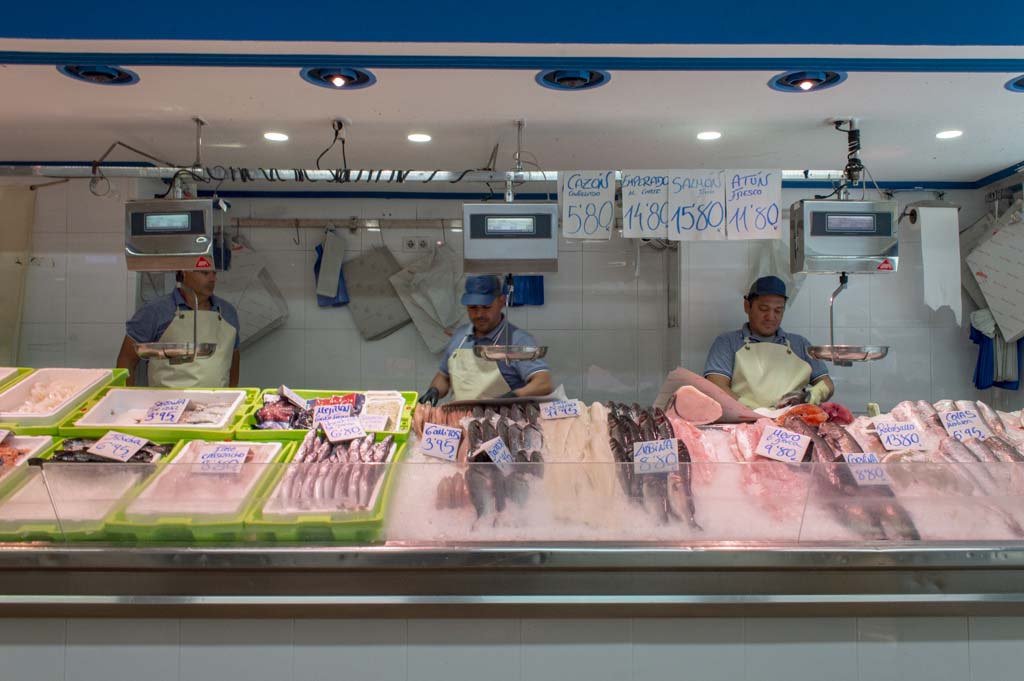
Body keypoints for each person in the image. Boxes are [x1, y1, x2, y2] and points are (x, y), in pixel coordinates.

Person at [703, 275, 834, 409]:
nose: (771, 317)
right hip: (745, 422)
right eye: (763, 309)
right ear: (747, 306)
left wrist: (811, 395)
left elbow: (827, 383)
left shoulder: (800, 343)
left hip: (791, 423)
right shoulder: (727, 342)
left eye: (778, 310)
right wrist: (750, 409)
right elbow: (716, 385)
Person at [419, 275, 552, 404]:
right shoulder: (460, 336)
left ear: (501, 301)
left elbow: (543, 383)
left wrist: (512, 397)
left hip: (500, 422)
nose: (479, 314)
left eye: (486, 307)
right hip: (459, 420)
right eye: (473, 307)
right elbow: (443, 377)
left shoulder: (518, 340)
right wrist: (434, 390)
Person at [116, 269, 240, 388]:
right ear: (184, 272)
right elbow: (127, 359)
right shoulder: (155, 311)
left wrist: (233, 392)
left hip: (217, 404)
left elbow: (232, 357)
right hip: (166, 406)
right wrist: (125, 398)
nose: (212, 278)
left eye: (214, 273)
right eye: (205, 273)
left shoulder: (228, 312)